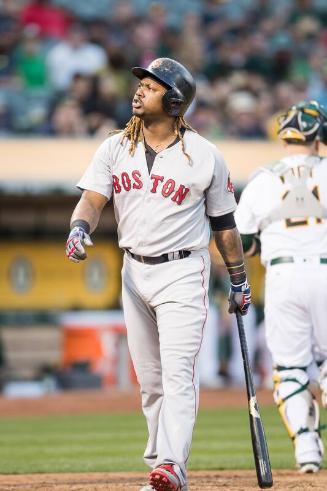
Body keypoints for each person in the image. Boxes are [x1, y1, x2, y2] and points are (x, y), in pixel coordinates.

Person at [65, 57, 251, 491]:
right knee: (149, 381)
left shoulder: (205, 155)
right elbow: (93, 200)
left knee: (178, 374)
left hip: (183, 271)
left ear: (174, 99)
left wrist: (239, 279)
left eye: (150, 86)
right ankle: (159, 464)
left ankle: (172, 464)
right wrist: (78, 227)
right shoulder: (115, 146)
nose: (139, 90)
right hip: (134, 272)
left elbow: (225, 225)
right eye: (142, 84)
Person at [235, 100, 327, 474]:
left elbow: (239, 239)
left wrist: (258, 246)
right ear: (318, 137)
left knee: (289, 367)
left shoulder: (262, 178)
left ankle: (306, 451)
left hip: (283, 276)